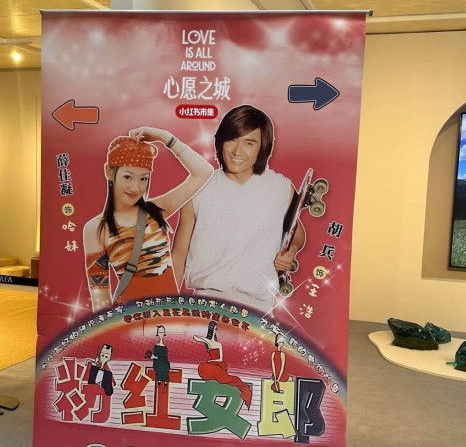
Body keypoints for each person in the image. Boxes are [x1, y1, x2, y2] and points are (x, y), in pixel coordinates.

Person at [172, 105, 305, 313]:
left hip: (258, 308)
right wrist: (165, 304)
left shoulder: (281, 187)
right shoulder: (199, 187)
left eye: (249, 143)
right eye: (232, 139)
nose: (237, 151)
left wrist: (291, 251)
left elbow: (297, 232)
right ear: (221, 141)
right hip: (204, 305)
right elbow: (179, 254)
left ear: (263, 147)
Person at [83, 127, 213, 310]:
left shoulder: (156, 210)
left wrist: (165, 137)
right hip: (130, 319)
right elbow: (99, 293)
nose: (135, 188)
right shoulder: (96, 228)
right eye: (128, 177)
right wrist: (109, 328)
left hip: (168, 315)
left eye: (143, 179)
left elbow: (204, 172)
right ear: (109, 172)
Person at [193, 321, 252, 408]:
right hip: (210, 365)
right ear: (211, 330)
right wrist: (207, 340)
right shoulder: (208, 343)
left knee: (232, 379)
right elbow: (195, 337)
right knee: (204, 368)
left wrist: (209, 343)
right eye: (214, 329)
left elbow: (220, 359)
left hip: (218, 365)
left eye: (216, 329)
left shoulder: (218, 344)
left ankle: (244, 391)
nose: (215, 331)